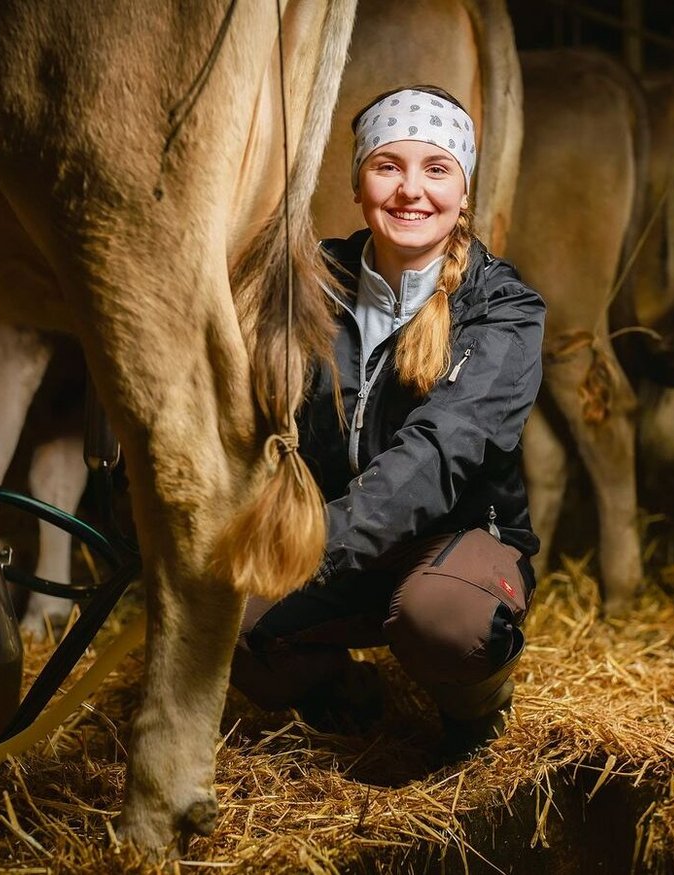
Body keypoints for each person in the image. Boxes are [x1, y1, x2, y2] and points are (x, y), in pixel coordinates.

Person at [230, 85, 546, 759]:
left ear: (464, 191)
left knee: (445, 622)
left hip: (453, 546)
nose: (411, 190)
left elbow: (439, 453)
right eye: (387, 165)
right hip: (338, 536)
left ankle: (476, 716)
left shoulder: (504, 309)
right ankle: (347, 696)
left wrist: (310, 549)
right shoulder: (312, 282)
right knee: (226, 623)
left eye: (436, 169)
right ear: (357, 185)